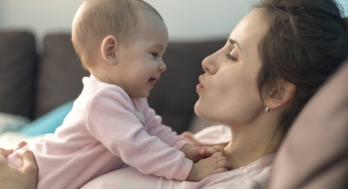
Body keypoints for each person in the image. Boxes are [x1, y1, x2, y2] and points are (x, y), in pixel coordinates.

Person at [2, 0, 348, 188]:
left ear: (277, 91)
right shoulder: (215, 141)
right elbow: (149, 139)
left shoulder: (242, 179)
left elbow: (149, 137)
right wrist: (189, 155)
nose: (206, 61)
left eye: (232, 54)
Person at [5, 0, 230, 188]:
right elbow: (139, 147)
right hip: (24, 173)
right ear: (112, 52)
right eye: (154, 54)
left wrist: (186, 149)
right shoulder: (101, 101)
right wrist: (190, 170)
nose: (163, 66)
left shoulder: (132, 99)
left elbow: (154, 130)